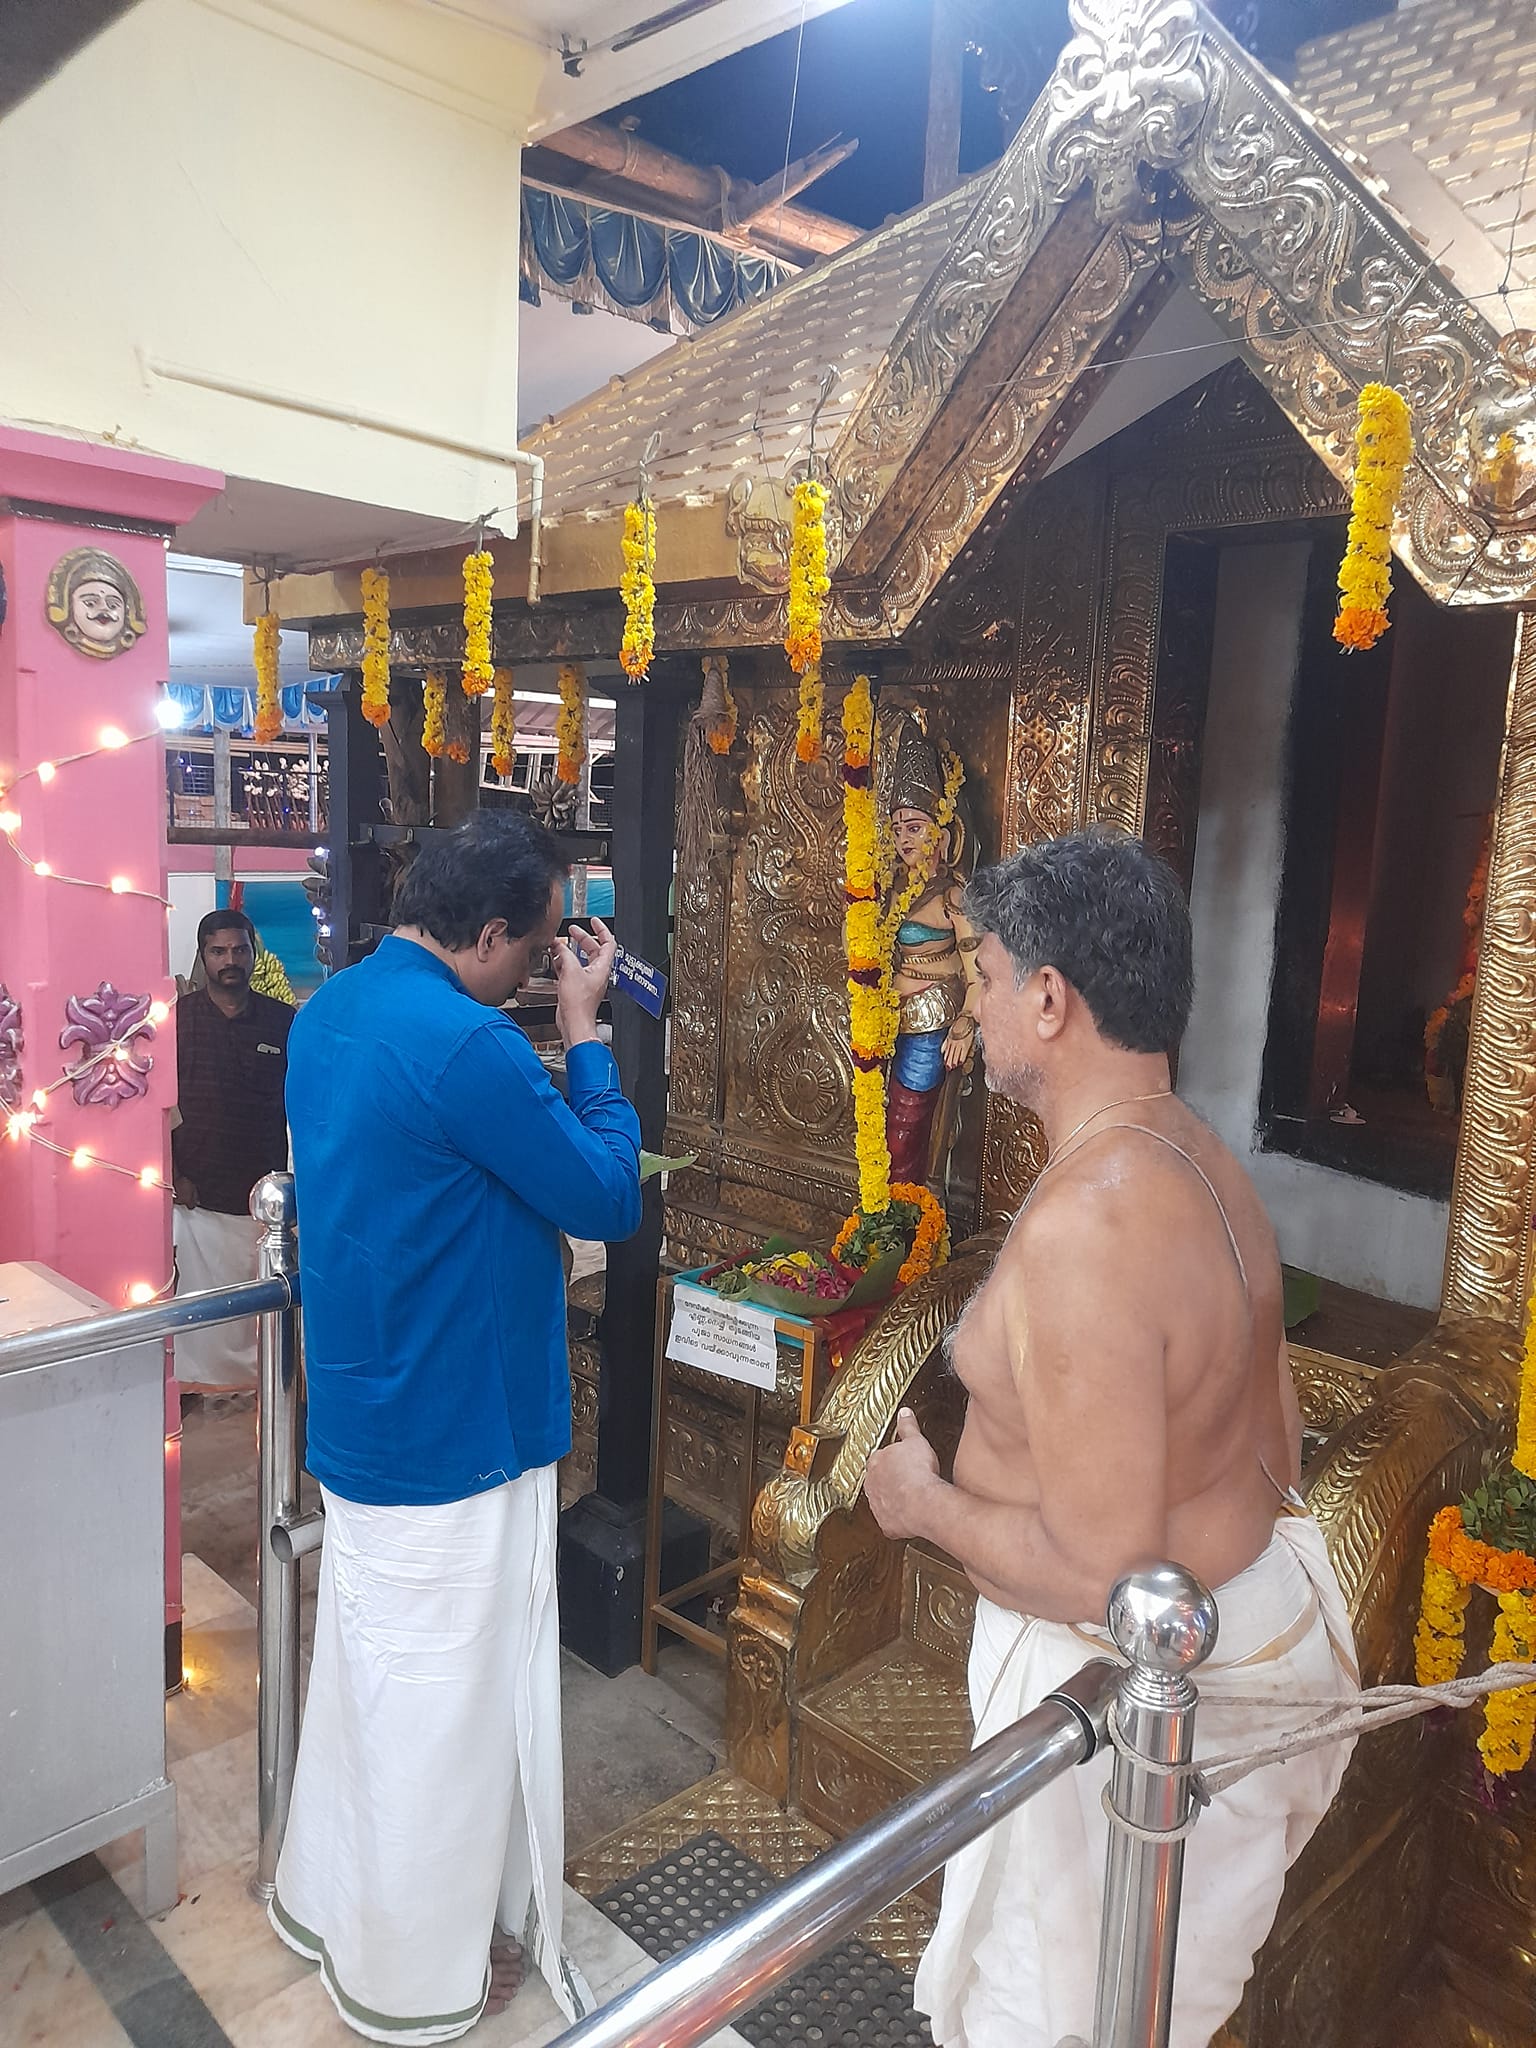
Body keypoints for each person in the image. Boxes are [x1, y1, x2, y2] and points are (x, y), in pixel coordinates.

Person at [864, 828, 1358, 2048]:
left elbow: (1106, 1574)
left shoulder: (1094, 1223)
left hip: (1129, 1710)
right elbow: (1278, 1432)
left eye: (980, 975)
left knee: (1055, 2021)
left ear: (1048, 996)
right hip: (1251, 1625)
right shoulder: (1197, 1158)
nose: (968, 1007)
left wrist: (923, 1500)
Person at [273, 811, 641, 2043]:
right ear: (485, 933)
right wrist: (586, 1038)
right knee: (447, 1709)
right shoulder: (468, 1044)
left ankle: (346, 1905)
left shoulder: (332, 1009)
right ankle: (415, 1968)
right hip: (458, 1428)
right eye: (537, 951)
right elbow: (602, 1192)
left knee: (375, 1680)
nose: (543, 970)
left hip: (372, 1404)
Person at [171, 908, 294, 1392]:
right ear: (203, 957)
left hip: (264, 1205)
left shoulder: (282, 1022)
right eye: (218, 951)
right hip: (196, 1199)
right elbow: (160, 1108)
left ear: (253, 953)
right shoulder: (177, 1021)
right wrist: (173, 1172)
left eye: (239, 950)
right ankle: (194, 1392)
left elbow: (302, 1104)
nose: (230, 960)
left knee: (266, 1324)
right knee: (198, 1327)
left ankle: (270, 1393)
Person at [883, 717, 981, 1187]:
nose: (905, 839)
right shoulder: (887, 891)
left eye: (916, 827)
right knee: (883, 1133)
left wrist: (965, 1025)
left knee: (906, 1130)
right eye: (899, 828)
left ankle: (909, 1224)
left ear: (941, 833)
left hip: (932, 1024)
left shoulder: (951, 897)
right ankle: (888, 1223)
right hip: (886, 1021)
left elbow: (978, 973)